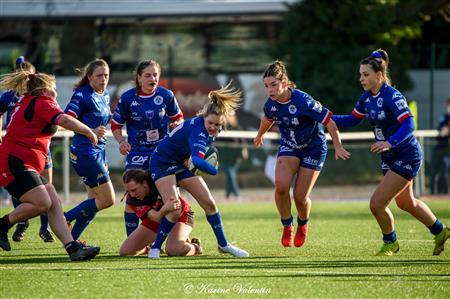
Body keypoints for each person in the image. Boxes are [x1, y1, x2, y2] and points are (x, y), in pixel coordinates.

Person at [332, 49, 450, 256]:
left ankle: (391, 243)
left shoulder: (392, 96)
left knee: (376, 204)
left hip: (407, 154)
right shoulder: (366, 98)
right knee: (406, 203)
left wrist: (389, 142)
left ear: (379, 75)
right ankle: (440, 231)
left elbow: (409, 123)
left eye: (365, 74)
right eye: (360, 74)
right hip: (390, 156)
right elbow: (352, 119)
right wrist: (325, 116)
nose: (361, 78)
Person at [0, 68, 100, 261]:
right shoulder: (42, 102)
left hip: (21, 161)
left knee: (53, 202)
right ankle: (3, 225)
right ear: (45, 89)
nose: (56, 91)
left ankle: (73, 248)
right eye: (54, 87)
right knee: (42, 203)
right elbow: (62, 119)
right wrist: (88, 131)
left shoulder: (30, 101)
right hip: (16, 162)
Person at [253, 60, 350, 248]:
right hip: (290, 145)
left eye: (274, 85)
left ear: (285, 82)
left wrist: (337, 146)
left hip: (314, 147)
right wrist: (260, 134)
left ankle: (303, 225)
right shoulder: (270, 104)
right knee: (281, 187)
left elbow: (329, 121)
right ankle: (287, 225)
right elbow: (268, 118)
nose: (270, 90)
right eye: (266, 86)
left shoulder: (303, 101)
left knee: (300, 197)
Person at [148, 82, 249, 258]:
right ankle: (155, 248)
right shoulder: (199, 131)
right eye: (210, 123)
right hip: (161, 163)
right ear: (204, 117)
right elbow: (197, 160)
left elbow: (191, 157)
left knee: (209, 204)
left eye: (218, 125)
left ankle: (223, 245)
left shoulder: (210, 130)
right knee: (175, 209)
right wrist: (214, 170)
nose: (213, 127)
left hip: (179, 164)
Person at [111, 60, 183, 237]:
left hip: (162, 152)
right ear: (139, 78)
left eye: (155, 75)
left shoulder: (166, 95)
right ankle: (133, 239)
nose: (153, 78)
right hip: (137, 153)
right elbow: (115, 125)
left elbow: (179, 118)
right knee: (133, 197)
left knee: (170, 196)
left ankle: (179, 237)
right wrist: (121, 142)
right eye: (148, 75)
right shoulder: (128, 98)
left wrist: (176, 125)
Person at [0, 56, 54, 243]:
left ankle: (45, 228)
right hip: (19, 149)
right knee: (27, 191)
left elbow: (57, 118)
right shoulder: (10, 96)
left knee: (47, 191)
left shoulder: (43, 98)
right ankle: (20, 222)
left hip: (41, 150)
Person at [64, 59, 115, 241]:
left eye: (106, 75)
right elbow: (67, 119)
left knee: (93, 199)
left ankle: (73, 239)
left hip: (98, 152)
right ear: (89, 76)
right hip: (86, 153)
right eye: (99, 75)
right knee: (108, 200)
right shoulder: (82, 95)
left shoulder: (105, 94)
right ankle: (64, 219)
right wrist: (90, 131)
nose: (103, 79)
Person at [119, 169, 202, 257]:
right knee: (125, 251)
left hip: (181, 215)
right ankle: (147, 248)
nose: (132, 195)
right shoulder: (132, 199)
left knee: (173, 250)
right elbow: (155, 218)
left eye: (134, 190)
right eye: (128, 191)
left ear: (144, 183)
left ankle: (195, 247)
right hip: (158, 218)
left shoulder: (158, 181)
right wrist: (164, 209)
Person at [219, 112, 247, 200]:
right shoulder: (221, 128)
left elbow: (243, 144)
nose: (227, 118)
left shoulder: (238, 128)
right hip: (224, 158)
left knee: (230, 175)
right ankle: (235, 194)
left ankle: (229, 195)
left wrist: (242, 155)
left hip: (235, 158)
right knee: (230, 174)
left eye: (229, 116)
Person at [429, 99, 450, 194]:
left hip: (447, 149)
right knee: (433, 171)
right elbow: (441, 130)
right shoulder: (444, 117)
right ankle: (432, 193)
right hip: (439, 147)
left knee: (444, 172)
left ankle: (444, 194)